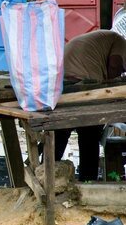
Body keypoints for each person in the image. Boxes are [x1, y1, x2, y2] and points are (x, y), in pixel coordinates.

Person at [54, 30, 126, 181]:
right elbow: (114, 65)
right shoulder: (120, 41)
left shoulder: (102, 38)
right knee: (90, 134)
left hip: (62, 81)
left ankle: (47, 175)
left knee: (60, 130)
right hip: (85, 84)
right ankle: (87, 181)